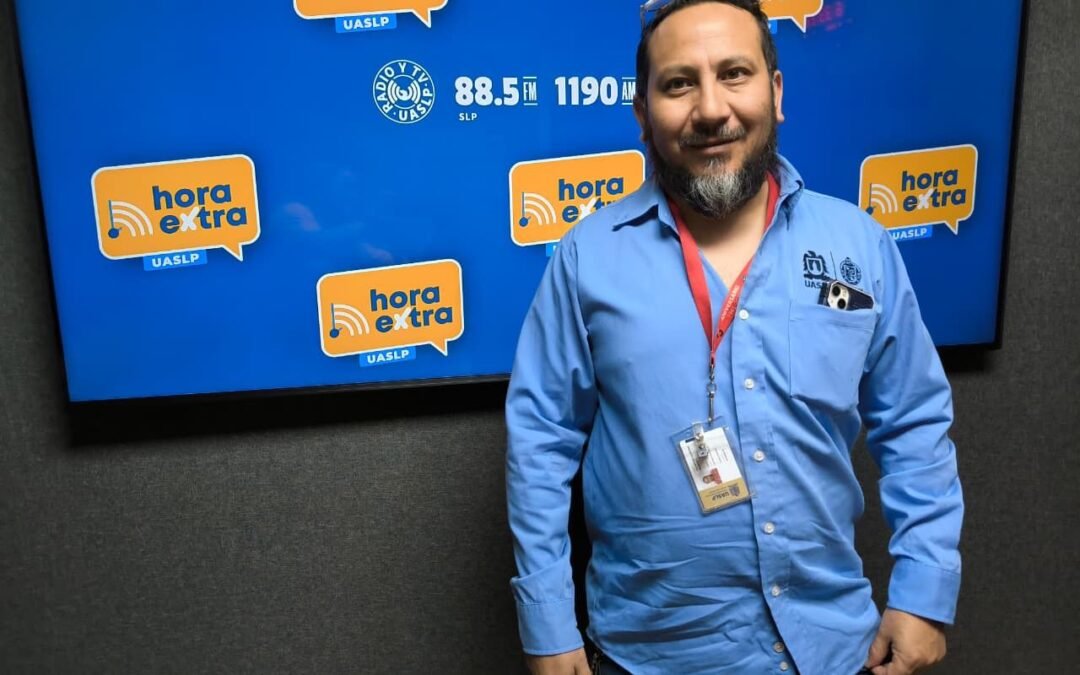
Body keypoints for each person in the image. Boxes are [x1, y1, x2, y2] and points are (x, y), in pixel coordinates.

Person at [504, 1, 963, 673]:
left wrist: (924, 592)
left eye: (734, 74)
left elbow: (915, 423)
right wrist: (549, 625)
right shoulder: (586, 258)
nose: (712, 109)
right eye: (678, 83)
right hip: (648, 656)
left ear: (775, 93)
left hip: (832, 649)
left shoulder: (858, 245)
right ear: (642, 113)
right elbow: (541, 444)